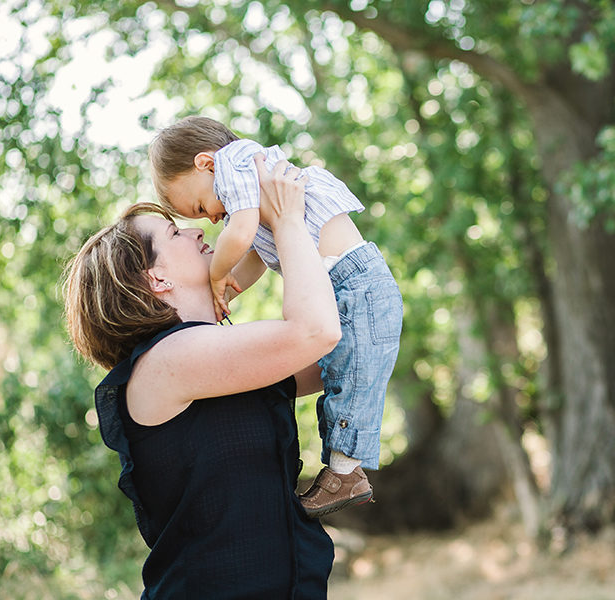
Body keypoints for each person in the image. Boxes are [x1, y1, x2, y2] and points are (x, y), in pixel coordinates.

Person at [64, 158, 337, 598]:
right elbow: (316, 332)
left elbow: (339, 354)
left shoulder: (218, 360)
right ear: (155, 278)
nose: (196, 231)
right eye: (175, 233)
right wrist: (284, 220)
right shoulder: (164, 363)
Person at [148, 116, 403, 517]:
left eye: (200, 207)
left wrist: (215, 274)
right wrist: (227, 287)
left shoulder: (236, 163)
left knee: (354, 377)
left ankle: (345, 472)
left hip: (353, 280)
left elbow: (243, 234)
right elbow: (257, 258)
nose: (211, 220)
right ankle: (344, 471)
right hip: (345, 282)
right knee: (346, 371)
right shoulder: (245, 189)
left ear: (205, 163)